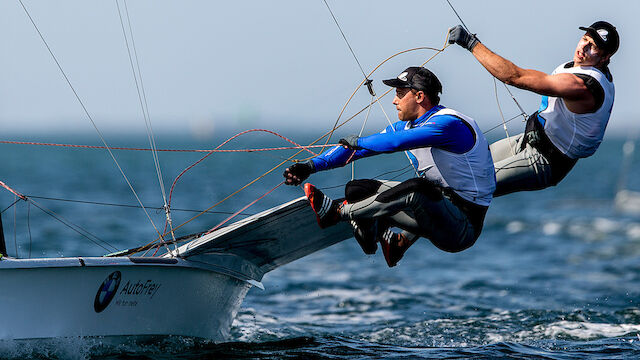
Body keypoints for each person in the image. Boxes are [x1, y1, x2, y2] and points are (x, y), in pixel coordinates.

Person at [283, 67, 496, 267]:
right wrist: (310, 166)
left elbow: (395, 143)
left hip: (461, 228)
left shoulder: (448, 124)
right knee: (356, 190)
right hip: (431, 212)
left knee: (417, 188)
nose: (394, 101)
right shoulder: (407, 125)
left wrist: (359, 141)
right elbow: (355, 151)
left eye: (400, 93)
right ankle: (379, 239)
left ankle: (337, 213)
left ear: (420, 96)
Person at [448, 21, 618, 197]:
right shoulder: (579, 66)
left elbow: (515, 76)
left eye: (593, 47)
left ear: (605, 58)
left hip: (545, 160)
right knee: (466, 163)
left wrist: (471, 43)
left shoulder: (582, 86)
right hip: (529, 140)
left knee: (472, 183)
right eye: (585, 40)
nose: (584, 47)